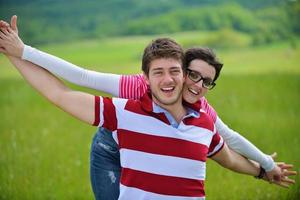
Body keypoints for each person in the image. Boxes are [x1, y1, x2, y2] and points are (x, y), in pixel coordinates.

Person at [0, 16, 296, 200]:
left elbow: (229, 148)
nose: (196, 85)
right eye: (193, 75)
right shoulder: (130, 100)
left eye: (206, 81)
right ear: (147, 77)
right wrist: (20, 52)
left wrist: (265, 168)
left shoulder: (203, 115)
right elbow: (74, 82)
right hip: (111, 143)